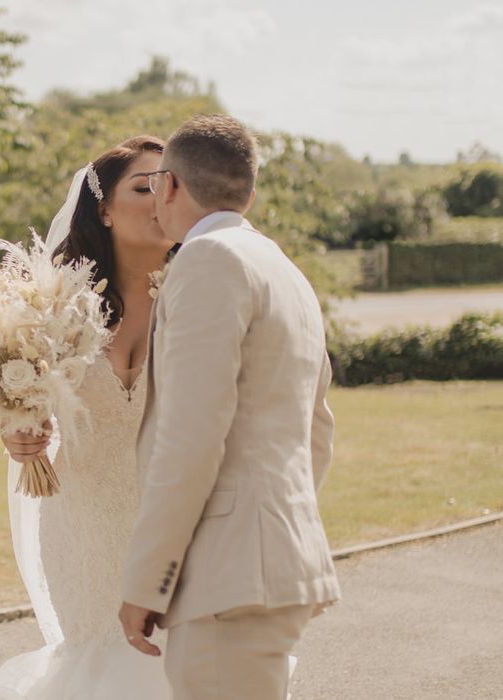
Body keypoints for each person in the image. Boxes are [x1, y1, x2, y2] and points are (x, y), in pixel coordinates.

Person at [118, 114, 341, 700]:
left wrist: (148, 579)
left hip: (227, 576)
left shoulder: (207, 259)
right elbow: (317, 430)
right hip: (275, 568)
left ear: (169, 185)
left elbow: (190, 436)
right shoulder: (284, 270)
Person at [0, 136, 176, 698]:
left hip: (182, 527)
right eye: (143, 185)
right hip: (85, 529)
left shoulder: (200, 294)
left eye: (171, 183)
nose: (160, 196)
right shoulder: (55, 309)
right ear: (105, 210)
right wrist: (19, 433)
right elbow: (24, 402)